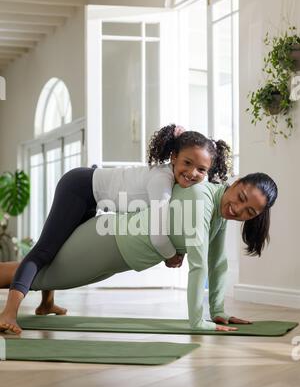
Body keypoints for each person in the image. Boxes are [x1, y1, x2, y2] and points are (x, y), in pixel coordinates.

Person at [0, 124, 230, 334]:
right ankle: (9, 312)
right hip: (80, 187)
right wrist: (171, 257)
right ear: (173, 157)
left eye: (201, 169)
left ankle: (46, 303)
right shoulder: (162, 181)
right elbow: (158, 233)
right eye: (187, 163)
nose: (192, 173)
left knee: (58, 252)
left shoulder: (175, 183)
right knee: (44, 251)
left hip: (94, 198)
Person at [0, 172, 277, 334]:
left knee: (44, 275)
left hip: (117, 252)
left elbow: (217, 262)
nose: (238, 210)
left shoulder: (218, 212)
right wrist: (197, 322)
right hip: (107, 242)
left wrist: (218, 312)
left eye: (249, 212)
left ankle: (43, 301)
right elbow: (199, 264)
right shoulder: (200, 199)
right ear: (237, 182)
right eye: (241, 198)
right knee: (38, 276)